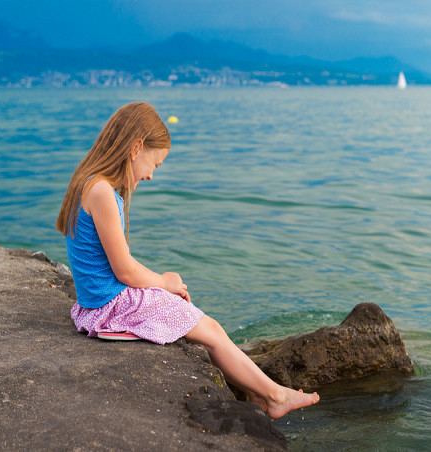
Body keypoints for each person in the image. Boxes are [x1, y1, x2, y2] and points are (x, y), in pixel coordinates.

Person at [56, 102, 319, 419]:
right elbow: (124, 270)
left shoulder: (89, 181)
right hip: (110, 306)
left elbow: (115, 264)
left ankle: (253, 392)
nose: (151, 175)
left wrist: (161, 284)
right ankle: (275, 397)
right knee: (211, 330)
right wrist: (163, 282)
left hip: (97, 302)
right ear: (136, 147)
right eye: (155, 163)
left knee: (201, 325)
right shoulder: (101, 191)